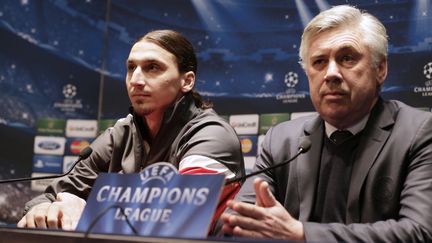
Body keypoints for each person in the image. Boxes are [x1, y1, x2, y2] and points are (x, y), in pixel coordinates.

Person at [220, 5, 432, 242]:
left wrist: (302, 234)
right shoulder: (281, 141)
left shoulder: (420, 133)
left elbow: (420, 232)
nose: (331, 73)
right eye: (319, 61)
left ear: (380, 69)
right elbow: (236, 223)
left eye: (347, 58)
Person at [18, 29, 245, 231]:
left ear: (186, 81)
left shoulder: (212, 134)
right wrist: (44, 209)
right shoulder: (121, 134)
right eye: (131, 68)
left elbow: (174, 218)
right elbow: (56, 192)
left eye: (152, 68)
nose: (135, 80)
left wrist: (84, 207)